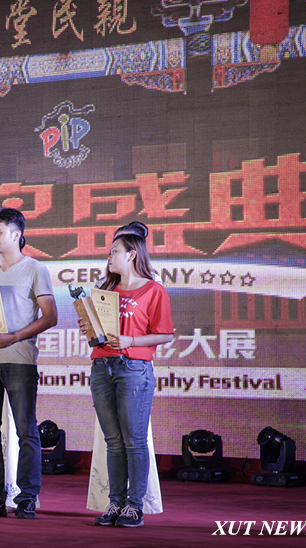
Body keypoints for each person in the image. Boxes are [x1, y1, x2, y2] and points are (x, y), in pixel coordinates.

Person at [0, 208, 57, 520]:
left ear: (17, 235)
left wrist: (15, 336)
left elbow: (50, 316)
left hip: (19, 360)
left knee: (26, 431)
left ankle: (27, 497)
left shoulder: (34, 269)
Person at [83, 225, 174, 528]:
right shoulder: (106, 290)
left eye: (114, 252)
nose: (109, 257)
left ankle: (134, 505)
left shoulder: (153, 290)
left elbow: (165, 334)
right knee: (113, 441)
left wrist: (131, 341)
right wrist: (89, 327)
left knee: (134, 441)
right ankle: (115, 502)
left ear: (132, 254)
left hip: (134, 368)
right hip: (101, 366)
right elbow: (99, 331)